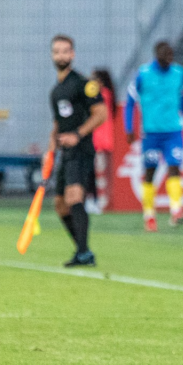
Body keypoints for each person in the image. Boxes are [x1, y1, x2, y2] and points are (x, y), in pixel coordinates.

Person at [124, 41, 183, 232]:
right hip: (151, 132)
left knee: (175, 166)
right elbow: (130, 101)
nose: (170, 60)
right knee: (151, 173)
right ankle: (149, 215)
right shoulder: (144, 74)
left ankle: (176, 211)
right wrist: (129, 128)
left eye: (172, 56)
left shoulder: (178, 73)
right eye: (166, 56)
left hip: (173, 131)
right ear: (157, 55)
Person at [48, 34, 107, 267]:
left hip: (82, 150)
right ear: (52, 55)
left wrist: (78, 134)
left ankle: (82, 253)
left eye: (65, 51)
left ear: (72, 54)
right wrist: (50, 149)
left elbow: (100, 113)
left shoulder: (84, 84)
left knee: (75, 197)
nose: (61, 55)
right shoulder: (56, 91)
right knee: (60, 205)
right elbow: (57, 124)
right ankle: (84, 250)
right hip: (65, 153)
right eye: (57, 51)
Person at [88, 68, 117, 214]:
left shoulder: (102, 94)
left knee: (97, 172)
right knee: (100, 172)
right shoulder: (109, 94)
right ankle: (99, 201)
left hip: (99, 139)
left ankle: (98, 201)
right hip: (104, 139)